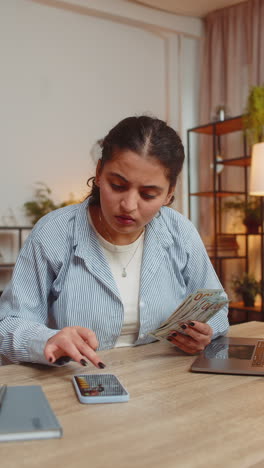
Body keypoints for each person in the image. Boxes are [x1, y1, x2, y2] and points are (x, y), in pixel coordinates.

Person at [0, 115, 229, 367]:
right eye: (117, 185)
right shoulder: (53, 233)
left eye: (148, 194)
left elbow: (217, 307)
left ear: (169, 193)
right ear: (99, 173)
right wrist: (48, 339)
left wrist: (205, 332)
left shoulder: (180, 232)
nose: (128, 206)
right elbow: (8, 323)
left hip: (163, 383)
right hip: (73, 380)